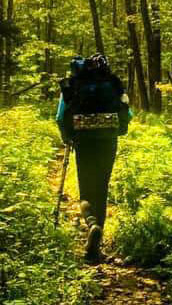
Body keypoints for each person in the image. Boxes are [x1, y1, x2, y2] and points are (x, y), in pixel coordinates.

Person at [55, 54, 132, 263]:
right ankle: (95, 248)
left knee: (86, 191)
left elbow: (60, 118)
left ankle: (91, 224)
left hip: (84, 141)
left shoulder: (74, 85)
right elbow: (128, 113)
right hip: (108, 140)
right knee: (102, 188)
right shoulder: (113, 83)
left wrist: (68, 138)